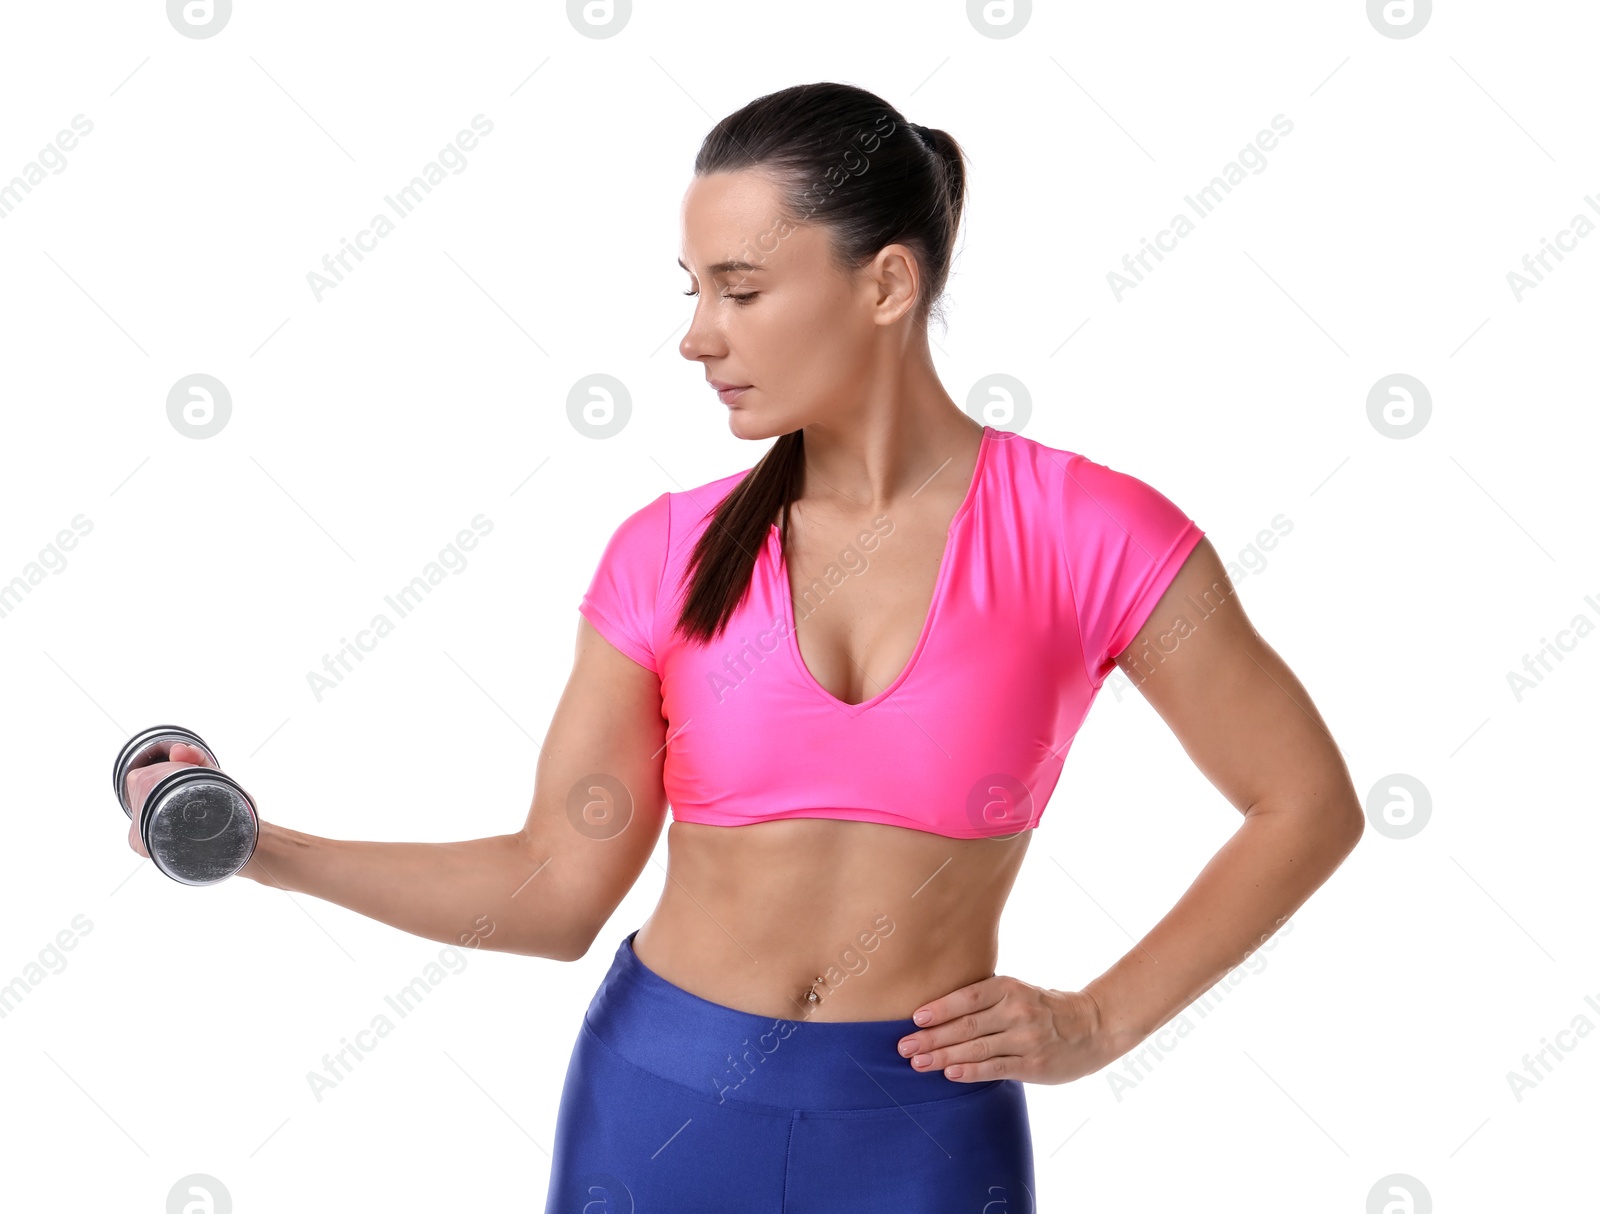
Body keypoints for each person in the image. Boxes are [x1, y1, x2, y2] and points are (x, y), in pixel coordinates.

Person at [121, 82, 1365, 1212]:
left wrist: (1099, 1019)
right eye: (693, 288)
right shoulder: (665, 551)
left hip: (921, 1130)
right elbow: (556, 890)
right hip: (660, 1103)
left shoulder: (1094, 534)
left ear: (885, 286)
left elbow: (1303, 802)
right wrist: (265, 848)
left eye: (742, 289)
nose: (697, 335)